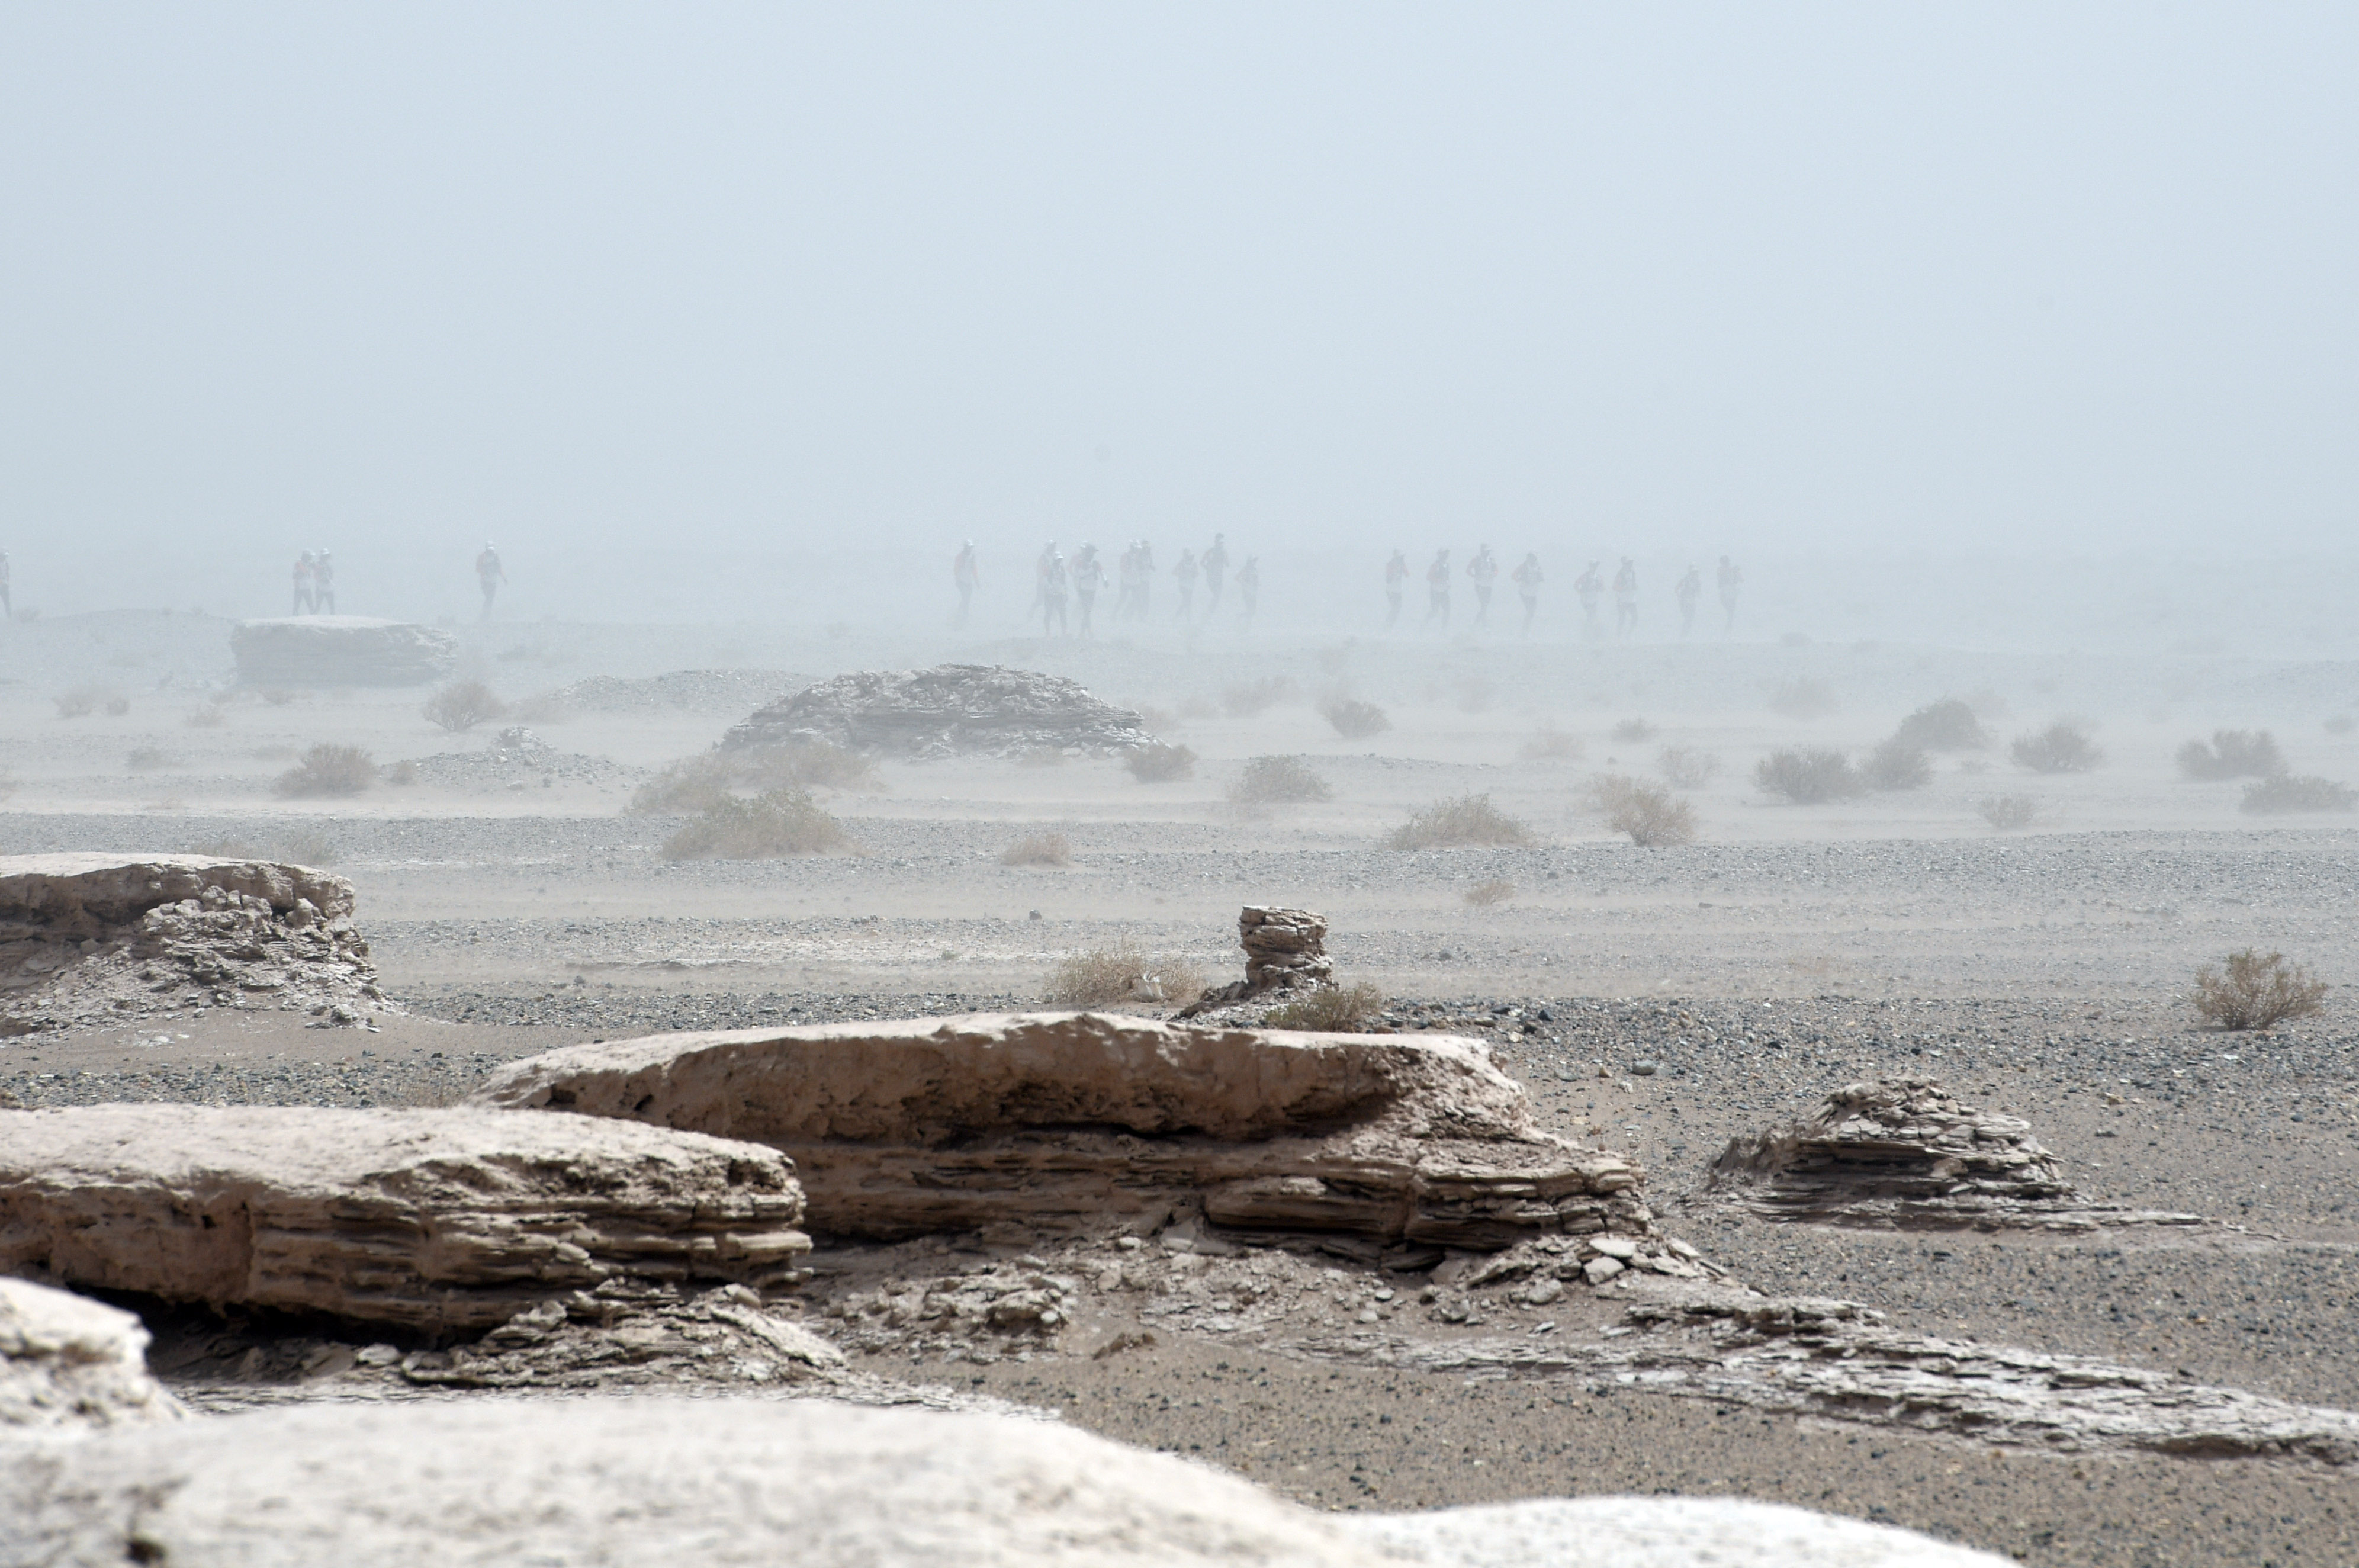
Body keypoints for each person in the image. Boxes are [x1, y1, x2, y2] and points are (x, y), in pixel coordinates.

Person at [1072, 543, 1108, 636]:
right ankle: (1085, 631)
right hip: (1083, 590)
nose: (1092, 554)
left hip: (1092, 590)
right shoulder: (1081, 563)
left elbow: (1102, 572)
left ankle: (1085, 631)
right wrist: (1092, 570)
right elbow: (1080, 574)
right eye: (1091, 552)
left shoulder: (1095, 563)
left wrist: (1105, 580)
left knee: (1088, 611)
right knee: (1086, 611)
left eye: (1093, 553)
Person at [1467, 544, 1500, 625]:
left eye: (1489, 551)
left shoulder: (1492, 560)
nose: (1488, 553)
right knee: (1483, 603)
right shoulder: (1476, 560)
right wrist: (1474, 575)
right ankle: (1483, 623)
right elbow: (1468, 570)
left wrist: (1494, 574)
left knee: (1486, 604)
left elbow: (1496, 570)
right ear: (1482, 551)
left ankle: (1478, 622)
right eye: (1486, 551)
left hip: (1489, 585)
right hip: (1479, 584)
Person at [1510, 552, 1543, 634]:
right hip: (1524, 592)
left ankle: (1525, 630)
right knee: (1530, 612)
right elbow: (1514, 575)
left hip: (1533, 592)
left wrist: (1540, 578)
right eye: (1531, 558)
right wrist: (1521, 580)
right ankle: (1524, 631)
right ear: (1528, 558)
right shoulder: (1523, 566)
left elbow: (1541, 576)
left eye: (1534, 558)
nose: (1533, 560)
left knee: (1532, 612)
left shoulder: (1538, 567)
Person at [1039, 550, 1069, 636]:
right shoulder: (1048, 568)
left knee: (1063, 613)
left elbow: (1064, 582)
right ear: (1054, 560)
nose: (1059, 562)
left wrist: (1065, 593)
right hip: (1050, 594)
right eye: (1058, 560)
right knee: (1049, 613)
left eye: (1060, 560)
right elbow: (1044, 579)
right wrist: (1049, 587)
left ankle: (1064, 631)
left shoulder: (1062, 569)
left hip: (1060, 593)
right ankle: (1048, 632)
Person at [952, 541, 981, 625]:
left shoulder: (972, 558)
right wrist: (958, 578)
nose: (970, 549)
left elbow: (974, 570)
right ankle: (960, 614)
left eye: (971, 547)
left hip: (969, 582)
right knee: (965, 597)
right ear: (965, 547)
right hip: (961, 581)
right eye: (969, 547)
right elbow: (956, 569)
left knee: (967, 599)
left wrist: (977, 582)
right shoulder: (960, 557)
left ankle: (964, 615)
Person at [1573, 560, 1603, 639]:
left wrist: (1600, 588)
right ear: (1590, 566)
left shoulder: (1599, 577)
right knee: (1590, 615)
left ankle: (1590, 634)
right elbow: (1576, 585)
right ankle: (1587, 634)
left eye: (1596, 566)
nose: (1595, 567)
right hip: (1586, 600)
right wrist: (1581, 592)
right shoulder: (1584, 576)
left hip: (1594, 600)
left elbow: (1602, 588)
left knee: (1593, 616)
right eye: (1593, 565)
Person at [1201, 533, 1230, 613]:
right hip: (1211, 578)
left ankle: (1209, 613)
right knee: (1216, 596)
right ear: (1216, 542)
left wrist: (1224, 557)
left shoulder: (1224, 552)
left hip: (1219, 577)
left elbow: (1227, 564)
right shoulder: (1210, 551)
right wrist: (1208, 569)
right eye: (1218, 541)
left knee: (1217, 596)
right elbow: (1202, 562)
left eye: (1221, 542)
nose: (1220, 544)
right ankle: (1208, 613)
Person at [476, 543, 506, 619]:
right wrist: (484, 573)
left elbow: (499, 569)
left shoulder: (496, 557)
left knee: (490, 598)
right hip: (485, 581)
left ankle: (486, 614)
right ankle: (485, 614)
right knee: (489, 597)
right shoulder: (482, 557)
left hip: (493, 581)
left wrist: (504, 578)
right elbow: (478, 568)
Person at [1424, 548, 1451, 625]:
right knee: (1435, 611)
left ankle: (1444, 628)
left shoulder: (1447, 565)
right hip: (1435, 592)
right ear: (1440, 555)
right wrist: (1439, 580)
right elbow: (1428, 577)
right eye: (1444, 554)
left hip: (1444, 591)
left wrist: (1447, 583)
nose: (1446, 556)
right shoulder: (1435, 565)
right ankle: (1424, 623)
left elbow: (1446, 577)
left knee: (1447, 610)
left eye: (1446, 554)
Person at [1613, 557, 1639, 638]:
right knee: (1622, 619)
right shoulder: (1620, 574)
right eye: (1629, 564)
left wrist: (1635, 587)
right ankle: (1618, 636)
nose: (1631, 565)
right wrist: (1623, 588)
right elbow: (1615, 586)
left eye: (1631, 564)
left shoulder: (1633, 573)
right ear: (1624, 565)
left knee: (1635, 617)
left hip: (1631, 600)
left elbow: (1634, 584)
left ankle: (1629, 635)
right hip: (1622, 600)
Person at [1717, 555, 1743, 633]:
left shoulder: (1732, 570)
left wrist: (1737, 572)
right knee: (1730, 610)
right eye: (1724, 562)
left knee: (1731, 611)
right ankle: (1727, 626)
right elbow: (1722, 577)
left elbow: (1741, 579)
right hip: (1726, 592)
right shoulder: (1721, 570)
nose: (1726, 564)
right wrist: (1734, 571)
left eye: (1726, 562)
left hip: (1731, 592)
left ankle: (1728, 627)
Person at [1675, 564, 1702, 638]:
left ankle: (1684, 636)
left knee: (1690, 619)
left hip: (1692, 602)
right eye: (1693, 572)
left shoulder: (1697, 582)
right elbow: (1676, 589)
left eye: (1696, 573)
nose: (1695, 574)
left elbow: (1698, 593)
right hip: (1684, 602)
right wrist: (1681, 598)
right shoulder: (1685, 580)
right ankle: (1683, 636)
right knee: (1688, 619)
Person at [1383, 549, 1409, 626]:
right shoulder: (1390, 564)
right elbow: (1388, 578)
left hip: (1398, 590)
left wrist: (1403, 565)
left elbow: (1407, 574)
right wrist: (1396, 569)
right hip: (1391, 590)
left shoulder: (1401, 565)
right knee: (1395, 608)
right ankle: (1388, 623)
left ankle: (1390, 623)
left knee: (1398, 608)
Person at [1172, 548, 1199, 619]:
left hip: (1191, 585)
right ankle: (1187, 617)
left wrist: (1194, 574)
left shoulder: (1194, 564)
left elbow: (1197, 574)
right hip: (1183, 585)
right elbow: (1174, 572)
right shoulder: (1181, 563)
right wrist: (1182, 575)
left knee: (1187, 601)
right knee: (1187, 601)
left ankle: (1179, 616)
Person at [1234, 556, 1259, 626]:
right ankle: (1247, 623)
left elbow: (1255, 580)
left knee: (1253, 610)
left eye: (1255, 561)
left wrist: (1256, 585)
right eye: (1253, 561)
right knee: (1250, 609)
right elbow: (1237, 578)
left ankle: (1242, 619)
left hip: (1253, 592)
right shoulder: (1245, 569)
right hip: (1246, 592)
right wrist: (1245, 584)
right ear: (1249, 562)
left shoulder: (1255, 570)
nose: (1254, 563)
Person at [292, 551, 316, 616]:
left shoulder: (308, 564)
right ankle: (294, 616)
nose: (311, 559)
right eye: (310, 557)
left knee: (310, 604)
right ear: (306, 557)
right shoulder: (298, 563)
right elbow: (295, 575)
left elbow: (316, 569)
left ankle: (313, 615)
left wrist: (314, 566)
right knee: (297, 604)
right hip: (299, 587)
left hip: (307, 587)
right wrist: (306, 569)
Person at [313, 551, 336, 615]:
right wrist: (323, 579)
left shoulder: (328, 564)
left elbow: (331, 574)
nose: (327, 558)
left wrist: (329, 579)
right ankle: (314, 616)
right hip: (320, 587)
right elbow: (316, 575)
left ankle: (333, 616)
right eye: (325, 556)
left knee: (331, 605)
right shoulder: (318, 564)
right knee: (318, 605)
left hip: (328, 587)